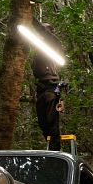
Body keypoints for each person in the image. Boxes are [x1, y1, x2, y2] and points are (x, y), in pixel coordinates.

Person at [29, 21, 65, 151]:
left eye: (45, 30)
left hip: (51, 87)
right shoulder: (39, 49)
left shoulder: (53, 44)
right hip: (41, 89)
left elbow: (43, 32)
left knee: (51, 122)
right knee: (42, 123)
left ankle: (55, 152)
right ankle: (51, 148)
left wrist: (31, 18)